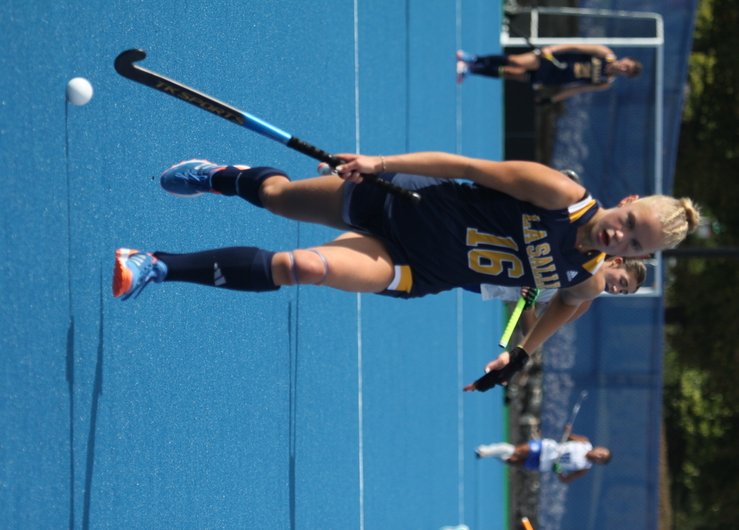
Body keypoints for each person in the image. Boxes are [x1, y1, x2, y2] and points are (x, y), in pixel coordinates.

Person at [111, 153, 699, 389]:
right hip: (397, 201)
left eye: (633, 242)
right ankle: (222, 176)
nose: (619, 234)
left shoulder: (586, 276)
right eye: (629, 220)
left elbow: (569, 305)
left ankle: (155, 266)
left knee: (302, 266)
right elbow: (468, 167)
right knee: (278, 197)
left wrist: (521, 353)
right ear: (627, 201)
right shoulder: (560, 194)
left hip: (416, 268)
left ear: (633, 257)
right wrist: (380, 162)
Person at [476, 255, 647, 336]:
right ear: (616, 262)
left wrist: (528, 304)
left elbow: (532, 332)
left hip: (488, 283)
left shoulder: (582, 302)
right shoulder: (582, 251)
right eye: (622, 282)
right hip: (491, 250)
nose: (616, 289)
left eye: (622, 291)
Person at [456, 45, 642, 105]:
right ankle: (474, 58)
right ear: (625, 59)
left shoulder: (605, 82)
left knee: (509, 73)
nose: (624, 68)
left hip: (552, 78)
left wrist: (552, 99)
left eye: (627, 71)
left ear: (626, 75)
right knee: (516, 61)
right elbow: (575, 46)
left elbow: (577, 89)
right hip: (551, 59)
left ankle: (471, 70)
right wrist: (552, 49)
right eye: (627, 65)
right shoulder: (605, 53)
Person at [476, 427, 611, 484]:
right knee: (517, 451)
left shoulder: (584, 468)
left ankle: (493, 453)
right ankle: (487, 451)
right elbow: (567, 436)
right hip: (546, 448)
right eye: (601, 453)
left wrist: (558, 471)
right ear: (599, 448)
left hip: (544, 464)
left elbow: (566, 479)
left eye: (601, 459)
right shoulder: (584, 442)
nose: (598, 456)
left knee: (511, 461)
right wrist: (567, 431)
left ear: (599, 463)